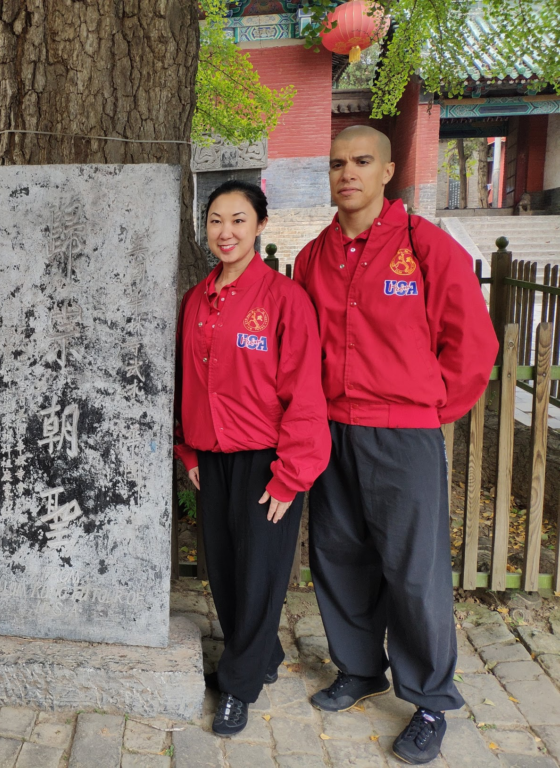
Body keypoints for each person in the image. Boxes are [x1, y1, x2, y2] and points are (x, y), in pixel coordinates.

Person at [293, 126, 498, 764]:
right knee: (339, 554)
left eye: (361, 162)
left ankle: (430, 697)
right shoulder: (312, 258)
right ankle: (359, 668)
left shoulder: (427, 249)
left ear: (387, 172)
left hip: (404, 432)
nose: (346, 173)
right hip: (331, 426)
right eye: (336, 164)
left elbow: (474, 347)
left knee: (415, 569)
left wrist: (434, 409)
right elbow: (300, 351)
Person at [175, 180, 330, 737]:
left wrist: (291, 476)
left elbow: (304, 393)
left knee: (260, 573)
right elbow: (186, 380)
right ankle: (259, 654)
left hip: (269, 459)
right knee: (224, 569)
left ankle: (239, 685)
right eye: (216, 220)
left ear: (260, 225)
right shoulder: (197, 299)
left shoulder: (284, 299)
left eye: (238, 220)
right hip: (212, 457)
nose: (226, 232)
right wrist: (189, 447)